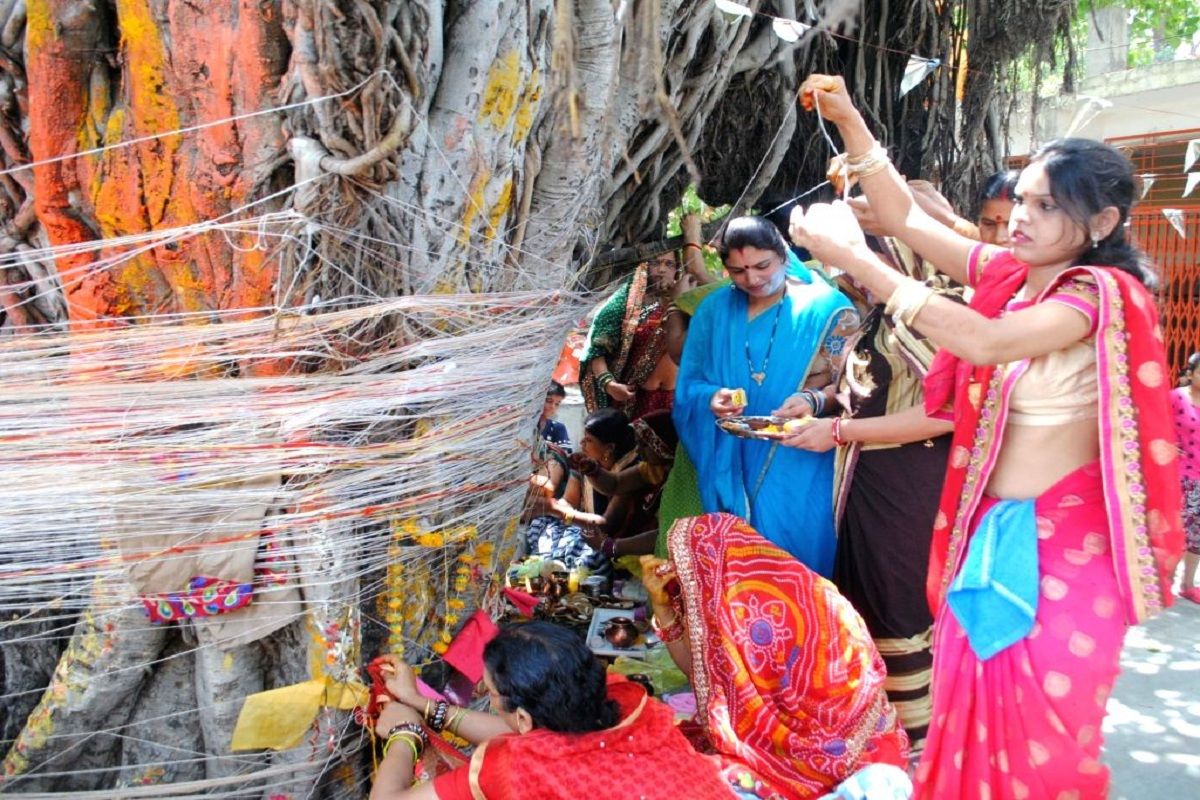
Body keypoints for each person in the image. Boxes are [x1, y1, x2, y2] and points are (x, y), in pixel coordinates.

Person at [788, 73, 1183, 798]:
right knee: (970, 721)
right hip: (994, 537)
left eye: (1045, 206)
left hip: (1065, 551)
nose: (1021, 217)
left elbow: (984, 342)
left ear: (1102, 223)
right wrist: (849, 121)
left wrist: (857, 262)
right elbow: (906, 217)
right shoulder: (1018, 275)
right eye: (1022, 201)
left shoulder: (1095, 296)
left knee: (1044, 741)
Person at [783, 170, 1015, 750]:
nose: (846, 277)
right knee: (867, 605)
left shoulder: (934, 313)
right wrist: (816, 401)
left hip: (910, 485)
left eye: (855, 262)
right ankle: (883, 737)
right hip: (869, 479)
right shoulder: (880, 316)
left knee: (898, 610)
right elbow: (865, 386)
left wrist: (836, 431)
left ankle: (915, 750)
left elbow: (946, 414)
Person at [640, 513, 910, 799]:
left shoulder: (747, 620)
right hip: (863, 755)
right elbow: (708, 677)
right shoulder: (801, 595)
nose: (685, 590)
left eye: (690, 580)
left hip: (820, 769)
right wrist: (666, 612)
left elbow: (713, 684)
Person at [368, 621, 749, 799]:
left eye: (491, 690)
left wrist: (405, 734)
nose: (483, 690)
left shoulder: (519, 769)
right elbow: (530, 739)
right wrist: (423, 704)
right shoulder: (623, 704)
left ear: (523, 717)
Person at [674, 215, 856, 575]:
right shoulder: (712, 311)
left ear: (784, 254)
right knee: (737, 567)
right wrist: (709, 397)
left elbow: (853, 388)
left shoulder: (827, 309)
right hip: (730, 457)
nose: (753, 279)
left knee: (797, 561)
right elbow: (688, 385)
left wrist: (814, 400)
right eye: (738, 271)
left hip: (799, 460)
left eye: (762, 266)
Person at [580, 216, 709, 420]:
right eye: (655, 263)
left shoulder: (687, 299)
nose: (662, 269)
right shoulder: (622, 303)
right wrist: (610, 385)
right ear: (643, 266)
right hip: (635, 401)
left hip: (677, 402)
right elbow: (597, 350)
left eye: (669, 264)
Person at [570, 409, 678, 559]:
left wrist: (611, 547)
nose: (639, 451)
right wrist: (592, 470)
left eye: (645, 445)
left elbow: (667, 533)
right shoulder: (653, 468)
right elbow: (615, 484)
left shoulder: (682, 480)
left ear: (662, 446)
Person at [1173, 352, 1200, 602]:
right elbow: (1153, 427)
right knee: (1173, 530)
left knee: (1198, 535)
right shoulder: (1175, 398)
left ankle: (1187, 584)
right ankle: (1163, 579)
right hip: (1180, 477)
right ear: (1190, 373)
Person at [536, 381, 570, 451]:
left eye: (557, 404)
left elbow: (562, 456)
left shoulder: (558, 428)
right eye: (549, 401)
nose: (553, 407)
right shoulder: (523, 427)